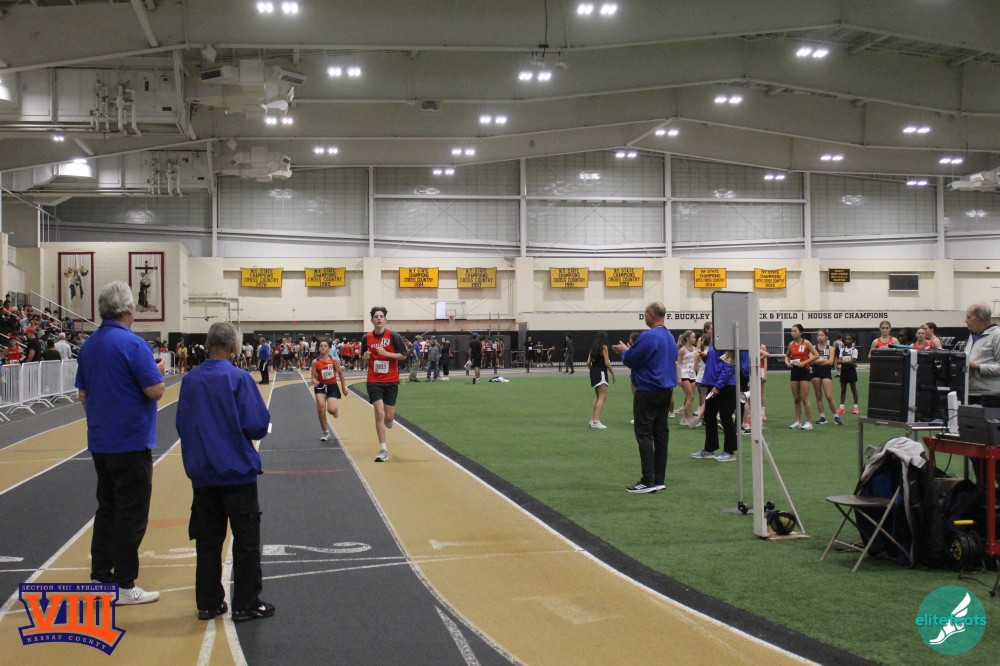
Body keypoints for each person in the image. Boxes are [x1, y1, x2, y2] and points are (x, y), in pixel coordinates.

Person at [176, 322, 274, 623]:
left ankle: (208, 602)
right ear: (234, 346)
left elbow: (182, 423)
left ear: (207, 345)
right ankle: (245, 602)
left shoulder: (191, 380)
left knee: (207, 542)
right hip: (236, 472)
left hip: (203, 474)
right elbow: (257, 425)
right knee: (246, 542)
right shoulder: (239, 378)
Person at [75, 281, 165, 605]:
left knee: (108, 508)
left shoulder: (88, 345)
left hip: (100, 441)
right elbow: (154, 391)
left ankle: (101, 575)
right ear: (129, 308)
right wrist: (158, 371)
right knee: (131, 514)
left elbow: (83, 394)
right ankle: (125, 584)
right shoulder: (133, 344)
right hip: (130, 441)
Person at [612, 302, 678, 494]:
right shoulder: (669, 337)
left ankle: (647, 480)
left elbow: (631, 359)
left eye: (645, 314)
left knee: (644, 434)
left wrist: (624, 351)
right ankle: (659, 479)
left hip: (648, 390)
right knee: (661, 434)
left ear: (650, 314)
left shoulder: (648, 336)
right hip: (666, 391)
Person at [361, 306, 408, 462]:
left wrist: (386, 353)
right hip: (374, 380)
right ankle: (383, 449)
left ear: (385, 319)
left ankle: (389, 420)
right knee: (379, 412)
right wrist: (365, 357)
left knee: (388, 417)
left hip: (391, 380)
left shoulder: (394, 336)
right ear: (372, 320)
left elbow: (403, 356)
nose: (379, 318)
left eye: (381, 316)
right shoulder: (366, 338)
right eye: (376, 316)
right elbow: (363, 359)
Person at [691, 344, 748, 462]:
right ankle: (709, 449)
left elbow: (729, 366)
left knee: (725, 417)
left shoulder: (728, 343)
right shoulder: (715, 342)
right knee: (709, 416)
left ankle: (729, 451)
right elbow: (715, 362)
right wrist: (705, 357)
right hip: (713, 383)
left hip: (726, 385)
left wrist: (718, 386)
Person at [312, 338, 348, 441]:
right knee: (321, 408)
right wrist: (314, 381)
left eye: (325, 346)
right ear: (318, 348)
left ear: (329, 349)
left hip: (332, 386)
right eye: (321, 346)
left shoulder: (333, 360)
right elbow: (313, 377)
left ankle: (335, 411)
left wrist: (344, 388)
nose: (323, 347)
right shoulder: (315, 362)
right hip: (321, 386)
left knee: (331, 409)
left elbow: (340, 373)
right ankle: (326, 432)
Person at [963, 302, 1000, 403]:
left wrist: (978, 367)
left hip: (990, 397)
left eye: (969, 317)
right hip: (970, 393)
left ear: (980, 318)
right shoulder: (972, 335)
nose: (965, 320)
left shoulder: (997, 335)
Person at [785, 324, 819, 430]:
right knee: (796, 398)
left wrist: (805, 362)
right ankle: (798, 421)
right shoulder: (791, 344)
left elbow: (816, 355)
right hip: (794, 371)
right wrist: (787, 362)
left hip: (804, 371)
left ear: (801, 332)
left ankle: (809, 422)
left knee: (805, 397)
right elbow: (787, 355)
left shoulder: (806, 343)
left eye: (795, 331)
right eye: (792, 331)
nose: (793, 333)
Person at [810, 329, 840, 425]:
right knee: (818, 395)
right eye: (818, 335)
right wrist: (823, 360)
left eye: (822, 335)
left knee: (828, 395)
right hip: (815, 372)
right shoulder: (813, 348)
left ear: (826, 337)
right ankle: (822, 417)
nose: (819, 337)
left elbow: (830, 362)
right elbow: (811, 360)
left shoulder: (831, 348)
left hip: (826, 372)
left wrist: (819, 361)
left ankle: (836, 416)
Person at [587, 331, 615, 429]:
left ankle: (592, 420)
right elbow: (607, 363)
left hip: (593, 372)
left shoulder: (592, 348)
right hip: (601, 372)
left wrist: (593, 370)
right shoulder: (604, 347)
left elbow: (588, 363)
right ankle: (596, 421)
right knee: (603, 396)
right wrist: (613, 373)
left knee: (598, 396)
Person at [675, 330, 697, 426]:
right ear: (687, 339)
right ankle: (687, 417)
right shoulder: (682, 350)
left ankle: (686, 417)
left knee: (690, 397)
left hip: (692, 374)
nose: (694, 339)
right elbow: (678, 364)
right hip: (684, 374)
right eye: (692, 337)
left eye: (695, 337)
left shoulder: (695, 349)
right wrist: (679, 378)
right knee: (690, 396)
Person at [836, 334, 860, 416]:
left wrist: (844, 361)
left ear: (853, 341)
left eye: (849, 339)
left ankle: (855, 408)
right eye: (846, 339)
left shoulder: (854, 350)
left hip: (851, 371)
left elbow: (852, 361)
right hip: (844, 371)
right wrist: (848, 362)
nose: (847, 340)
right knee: (843, 390)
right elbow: (838, 361)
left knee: (853, 389)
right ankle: (841, 408)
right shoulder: (842, 350)